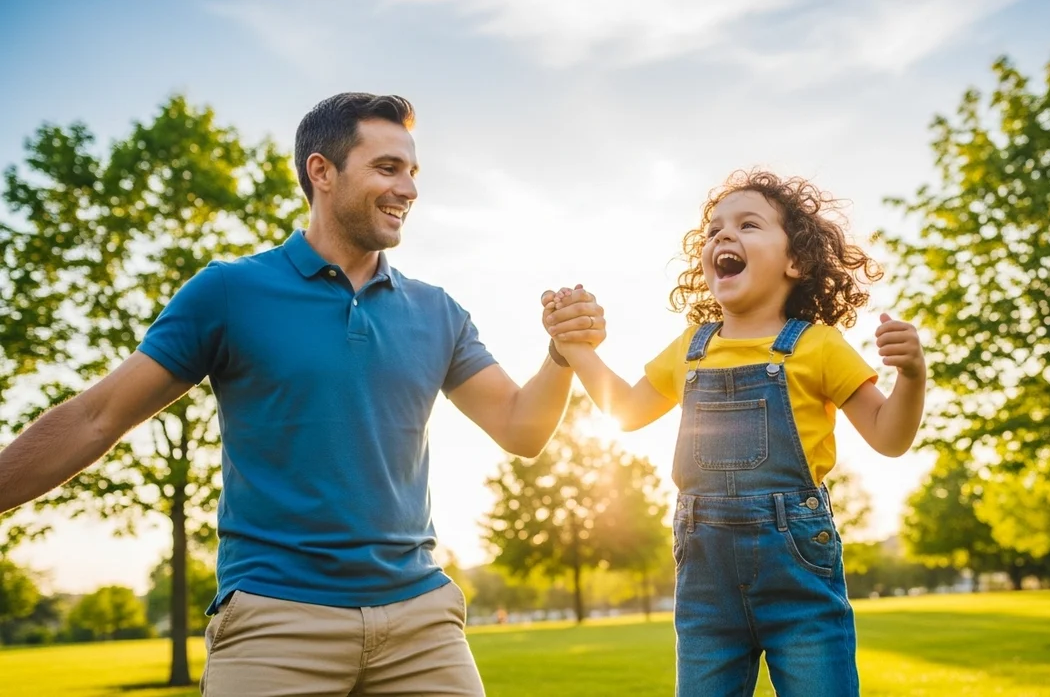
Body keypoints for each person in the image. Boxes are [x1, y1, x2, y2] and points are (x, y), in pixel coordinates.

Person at [0, 92, 604, 696]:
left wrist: (558, 356)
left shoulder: (438, 311)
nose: (410, 189)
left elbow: (522, 429)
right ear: (322, 171)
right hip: (275, 623)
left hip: (421, 622)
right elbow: (95, 417)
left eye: (413, 172)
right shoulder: (230, 292)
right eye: (388, 168)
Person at [542, 170, 927, 696]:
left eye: (749, 225)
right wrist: (578, 348)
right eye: (714, 231)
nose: (723, 237)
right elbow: (627, 411)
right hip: (706, 590)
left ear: (797, 262)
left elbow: (889, 437)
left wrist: (911, 376)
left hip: (798, 575)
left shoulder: (818, 346)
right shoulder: (689, 348)